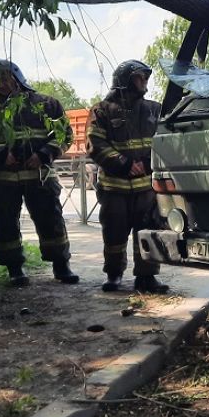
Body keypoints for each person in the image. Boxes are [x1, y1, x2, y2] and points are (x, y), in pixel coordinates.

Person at [0, 59, 77, 286]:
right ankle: (15, 269)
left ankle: (61, 265)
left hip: (40, 178)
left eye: (5, 77)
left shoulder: (46, 104)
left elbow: (64, 135)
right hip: (2, 180)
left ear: (17, 76)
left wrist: (44, 155)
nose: (1, 84)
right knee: (5, 224)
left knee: (51, 221)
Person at [87, 60, 169, 294]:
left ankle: (147, 277)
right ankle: (114, 275)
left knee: (149, 230)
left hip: (146, 187)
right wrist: (123, 164)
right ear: (125, 80)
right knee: (113, 232)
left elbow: (165, 140)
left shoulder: (155, 109)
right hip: (114, 187)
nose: (144, 81)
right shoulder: (101, 110)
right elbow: (95, 143)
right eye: (139, 77)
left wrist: (146, 163)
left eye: (145, 77)